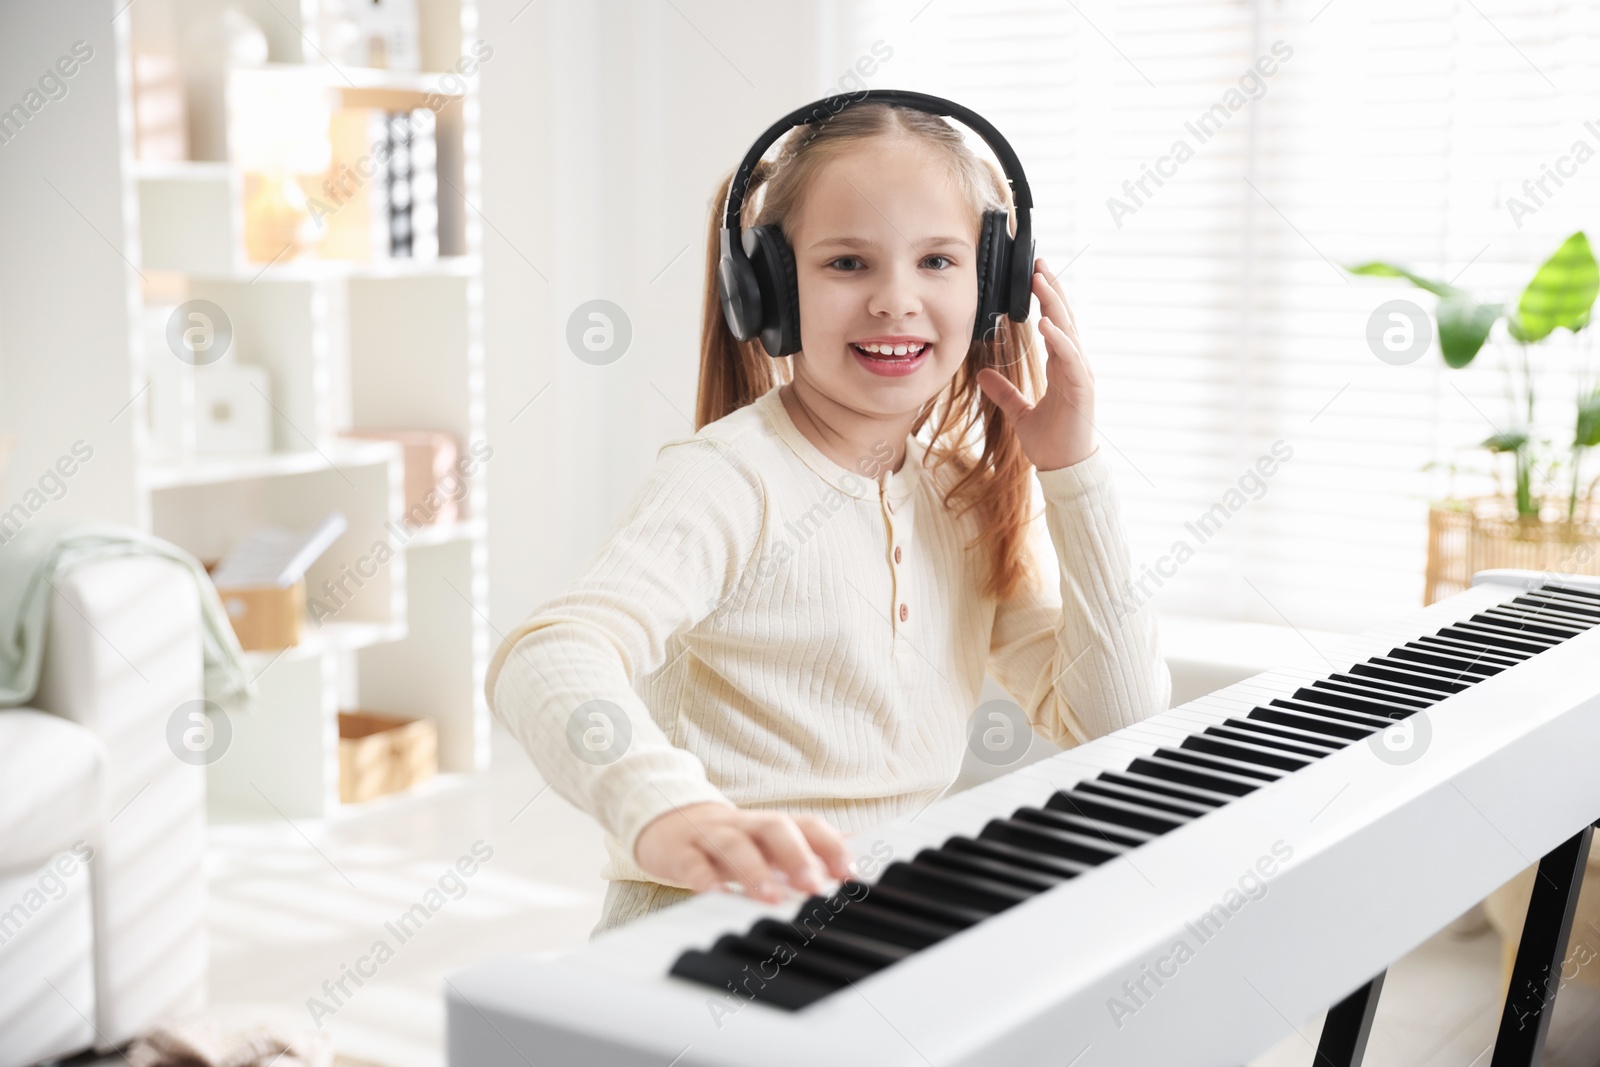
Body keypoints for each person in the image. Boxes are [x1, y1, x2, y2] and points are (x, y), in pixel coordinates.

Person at [486, 99, 1171, 937]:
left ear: (994, 285)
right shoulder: (731, 478)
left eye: (937, 261)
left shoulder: (958, 496)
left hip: (884, 929)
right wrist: (668, 813)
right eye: (847, 262)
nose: (896, 300)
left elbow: (1118, 718)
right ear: (770, 289)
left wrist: (1073, 470)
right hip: (708, 929)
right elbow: (549, 654)